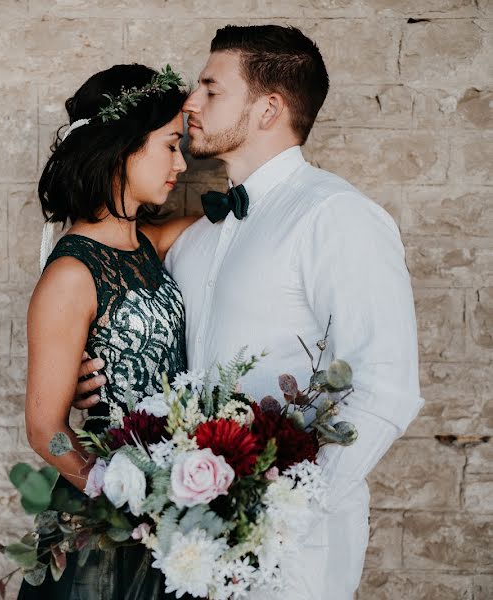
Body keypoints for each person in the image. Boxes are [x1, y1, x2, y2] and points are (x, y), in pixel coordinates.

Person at [74, 25, 423, 600]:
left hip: (295, 545)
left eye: (212, 89)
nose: (191, 103)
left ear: (268, 108)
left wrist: (279, 515)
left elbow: (385, 388)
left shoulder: (336, 218)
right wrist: (99, 377)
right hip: (188, 535)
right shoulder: (197, 237)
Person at [21, 63, 195, 599]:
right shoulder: (71, 276)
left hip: (173, 504)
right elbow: (44, 428)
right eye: (170, 145)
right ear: (122, 150)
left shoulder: (147, 243)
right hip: (111, 523)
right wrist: (119, 499)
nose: (182, 164)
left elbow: (228, 225)